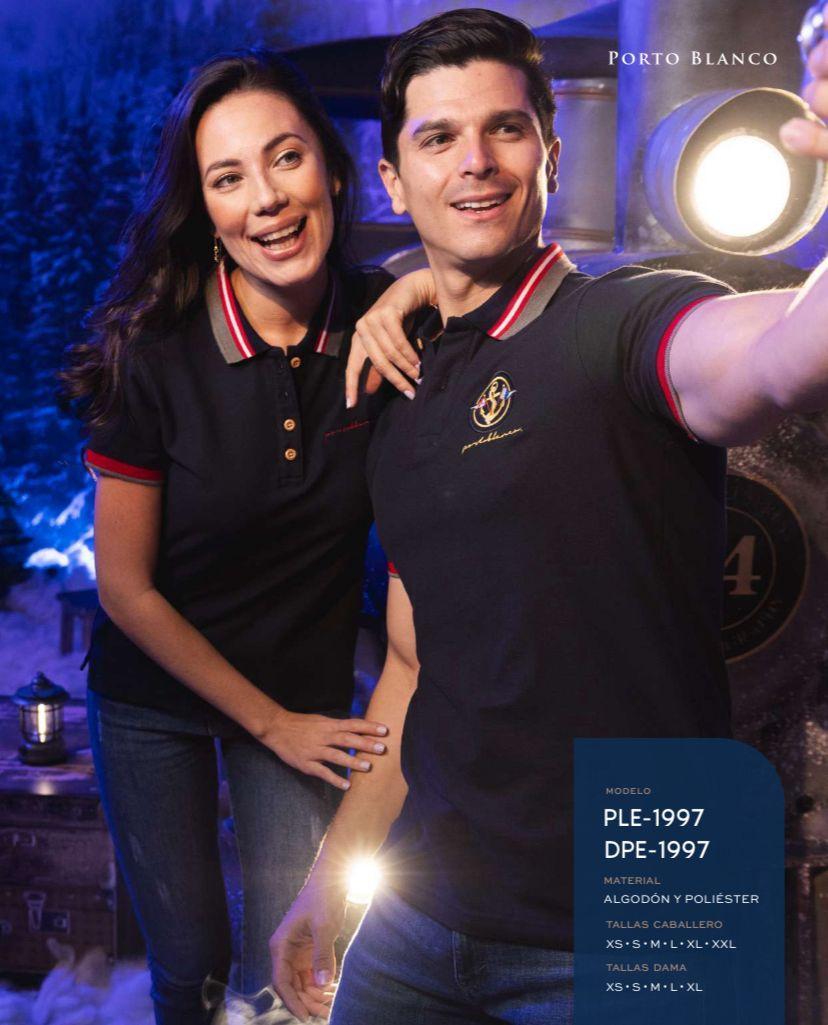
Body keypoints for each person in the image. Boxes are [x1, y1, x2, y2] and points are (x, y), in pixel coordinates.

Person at [271, 9, 828, 1025]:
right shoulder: (398, 390)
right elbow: (413, 665)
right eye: (438, 137)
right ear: (393, 179)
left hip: (648, 909)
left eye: (506, 128)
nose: (475, 162)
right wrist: (330, 876)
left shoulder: (622, 323)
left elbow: (778, 356)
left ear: (551, 154)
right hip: (425, 925)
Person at [62, 49, 434, 1025]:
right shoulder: (152, 351)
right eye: (228, 178)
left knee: (298, 967)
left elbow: (495, 273)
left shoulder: (386, 324)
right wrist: (270, 723)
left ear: (334, 171)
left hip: (304, 695)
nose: (266, 198)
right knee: (189, 960)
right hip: (155, 695)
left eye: (286, 158)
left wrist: (411, 288)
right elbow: (126, 588)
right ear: (205, 209)